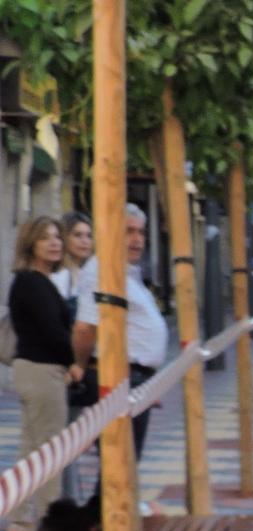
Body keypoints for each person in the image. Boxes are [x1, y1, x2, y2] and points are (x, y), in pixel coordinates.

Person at [74, 203, 169, 479]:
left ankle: (107, 518)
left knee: (126, 461)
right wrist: (80, 365)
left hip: (136, 378)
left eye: (141, 232)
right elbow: (84, 328)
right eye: (129, 232)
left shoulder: (129, 272)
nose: (137, 239)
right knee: (119, 462)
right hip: (117, 376)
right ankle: (103, 520)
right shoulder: (101, 269)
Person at [6, 217, 79, 531]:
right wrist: (74, 362)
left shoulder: (37, 281)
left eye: (56, 238)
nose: (54, 243)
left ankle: (22, 518)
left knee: (33, 448)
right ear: (30, 244)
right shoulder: (32, 283)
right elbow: (53, 333)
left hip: (32, 370)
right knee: (50, 452)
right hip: (41, 371)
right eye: (45, 238)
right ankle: (52, 523)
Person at [50, 213, 93, 503]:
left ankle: (69, 500)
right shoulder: (59, 279)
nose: (85, 241)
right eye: (78, 235)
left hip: (80, 371)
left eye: (88, 235)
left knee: (70, 441)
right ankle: (59, 504)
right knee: (59, 441)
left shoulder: (84, 275)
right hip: (61, 370)